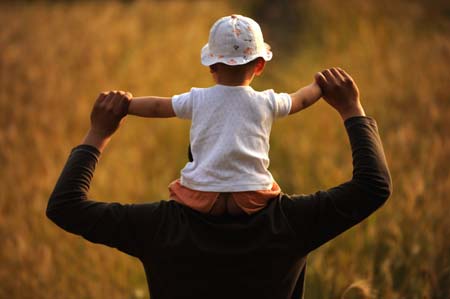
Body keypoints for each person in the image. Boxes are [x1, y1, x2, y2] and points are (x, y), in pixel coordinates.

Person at [46, 67, 391, 299]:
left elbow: (66, 206)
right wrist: (351, 109)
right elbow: (372, 186)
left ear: (193, 162)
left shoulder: (158, 228)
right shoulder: (291, 223)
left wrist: (98, 134)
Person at [127, 14, 322, 215]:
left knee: (179, 187)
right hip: (251, 197)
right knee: (270, 187)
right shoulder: (267, 101)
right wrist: (320, 85)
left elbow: (157, 107)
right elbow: (300, 100)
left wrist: (127, 105)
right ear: (260, 66)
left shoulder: (197, 98)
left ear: (212, 65)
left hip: (203, 197)